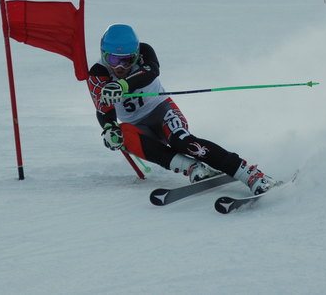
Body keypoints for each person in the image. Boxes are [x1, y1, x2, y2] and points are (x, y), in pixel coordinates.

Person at [87, 24, 276, 195]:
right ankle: (191, 167)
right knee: (123, 135)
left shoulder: (145, 51)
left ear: (136, 55)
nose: (119, 67)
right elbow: (103, 108)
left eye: (127, 60)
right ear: (104, 54)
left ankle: (249, 174)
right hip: (137, 125)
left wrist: (122, 85)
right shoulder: (97, 74)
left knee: (182, 141)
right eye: (112, 59)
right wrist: (109, 127)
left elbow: (151, 71)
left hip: (161, 110)